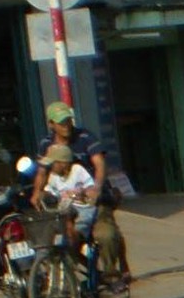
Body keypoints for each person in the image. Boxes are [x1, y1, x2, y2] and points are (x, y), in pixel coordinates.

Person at [33, 100, 128, 279]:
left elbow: (99, 164)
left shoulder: (85, 137)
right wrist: (37, 193)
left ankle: (111, 272)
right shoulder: (46, 144)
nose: (66, 126)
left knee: (106, 234)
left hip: (91, 200)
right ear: (51, 124)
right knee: (57, 239)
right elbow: (41, 172)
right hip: (66, 205)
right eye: (61, 123)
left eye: (68, 121)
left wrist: (96, 188)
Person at [36, 143, 98, 247]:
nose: (51, 167)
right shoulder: (53, 176)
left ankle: (77, 239)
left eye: (53, 163)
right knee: (52, 223)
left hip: (82, 207)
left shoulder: (77, 170)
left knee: (80, 225)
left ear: (63, 163)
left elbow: (90, 186)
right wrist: (43, 195)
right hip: (64, 208)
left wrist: (83, 192)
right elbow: (50, 191)